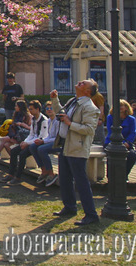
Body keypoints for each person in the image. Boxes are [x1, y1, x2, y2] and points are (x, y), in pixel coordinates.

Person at [51, 79, 100, 226]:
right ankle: (70, 207)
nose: (79, 82)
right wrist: (55, 100)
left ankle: (91, 214)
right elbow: (62, 114)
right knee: (65, 179)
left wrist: (70, 123)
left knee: (81, 182)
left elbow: (90, 130)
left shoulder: (89, 107)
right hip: (67, 145)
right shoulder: (74, 101)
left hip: (77, 148)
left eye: (83, 83)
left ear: (88, 91)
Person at [0, 100, 47, 185]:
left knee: (22, 154)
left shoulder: (43, 120)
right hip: (31, 141)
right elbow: (32, 134)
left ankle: (18, 177)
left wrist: (27, 143)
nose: (30, 111)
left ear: (37, 109)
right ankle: (10, 174)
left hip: (39, 143)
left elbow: (41, 137)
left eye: (32, 109)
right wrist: (24, 142)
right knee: (14, 152)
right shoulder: (34, 119)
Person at [29, 101, 61, 187]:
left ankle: (51, 173)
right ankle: (44, 170)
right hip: (51, 141)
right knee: (33, 147)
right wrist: (42, 140)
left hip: (60, 143)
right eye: (47, 108)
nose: (49, 110)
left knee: (41, 149)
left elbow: (58, 138)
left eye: (51, 108)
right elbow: (49, 136)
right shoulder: (49, 120)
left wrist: (43, 141)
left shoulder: (58, 121)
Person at [104, 99, 136, 181]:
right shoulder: (110, 117)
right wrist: (121, 143)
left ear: (126, 107)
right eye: (118, 106)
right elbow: (111, 131)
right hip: (112, 142)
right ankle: (111, 176)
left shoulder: (131, 119)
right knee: (112, 154)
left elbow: (133, 132)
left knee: (132, 156)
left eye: (122, 105)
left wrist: (128, 142)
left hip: (127, 143)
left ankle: (124, 175)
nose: (120, 107)